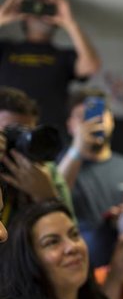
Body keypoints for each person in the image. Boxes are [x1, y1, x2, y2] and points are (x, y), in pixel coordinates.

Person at [58, 89, 123, 267]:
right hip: (76, 263)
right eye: (83, 117)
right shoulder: (59, 167)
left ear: (111, 120)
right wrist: (78, 149)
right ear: (69, 125)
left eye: (98, 114)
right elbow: (53, 195)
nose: (92, 122)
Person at [0, 0, 100, 132]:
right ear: (26, 15)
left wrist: (69, 23)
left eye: (47, 9)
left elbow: (91, 67)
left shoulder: (63, 56)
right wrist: (1, 18)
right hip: (7, 128)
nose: (41, 14)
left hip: (49, 133)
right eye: (37, 9)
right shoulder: (5, 49)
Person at [0, 86, 73, 224]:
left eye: (26, 134)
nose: (20, 142)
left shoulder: (46, 170)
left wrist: (47, 198)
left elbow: (69, 232)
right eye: (11, 133)